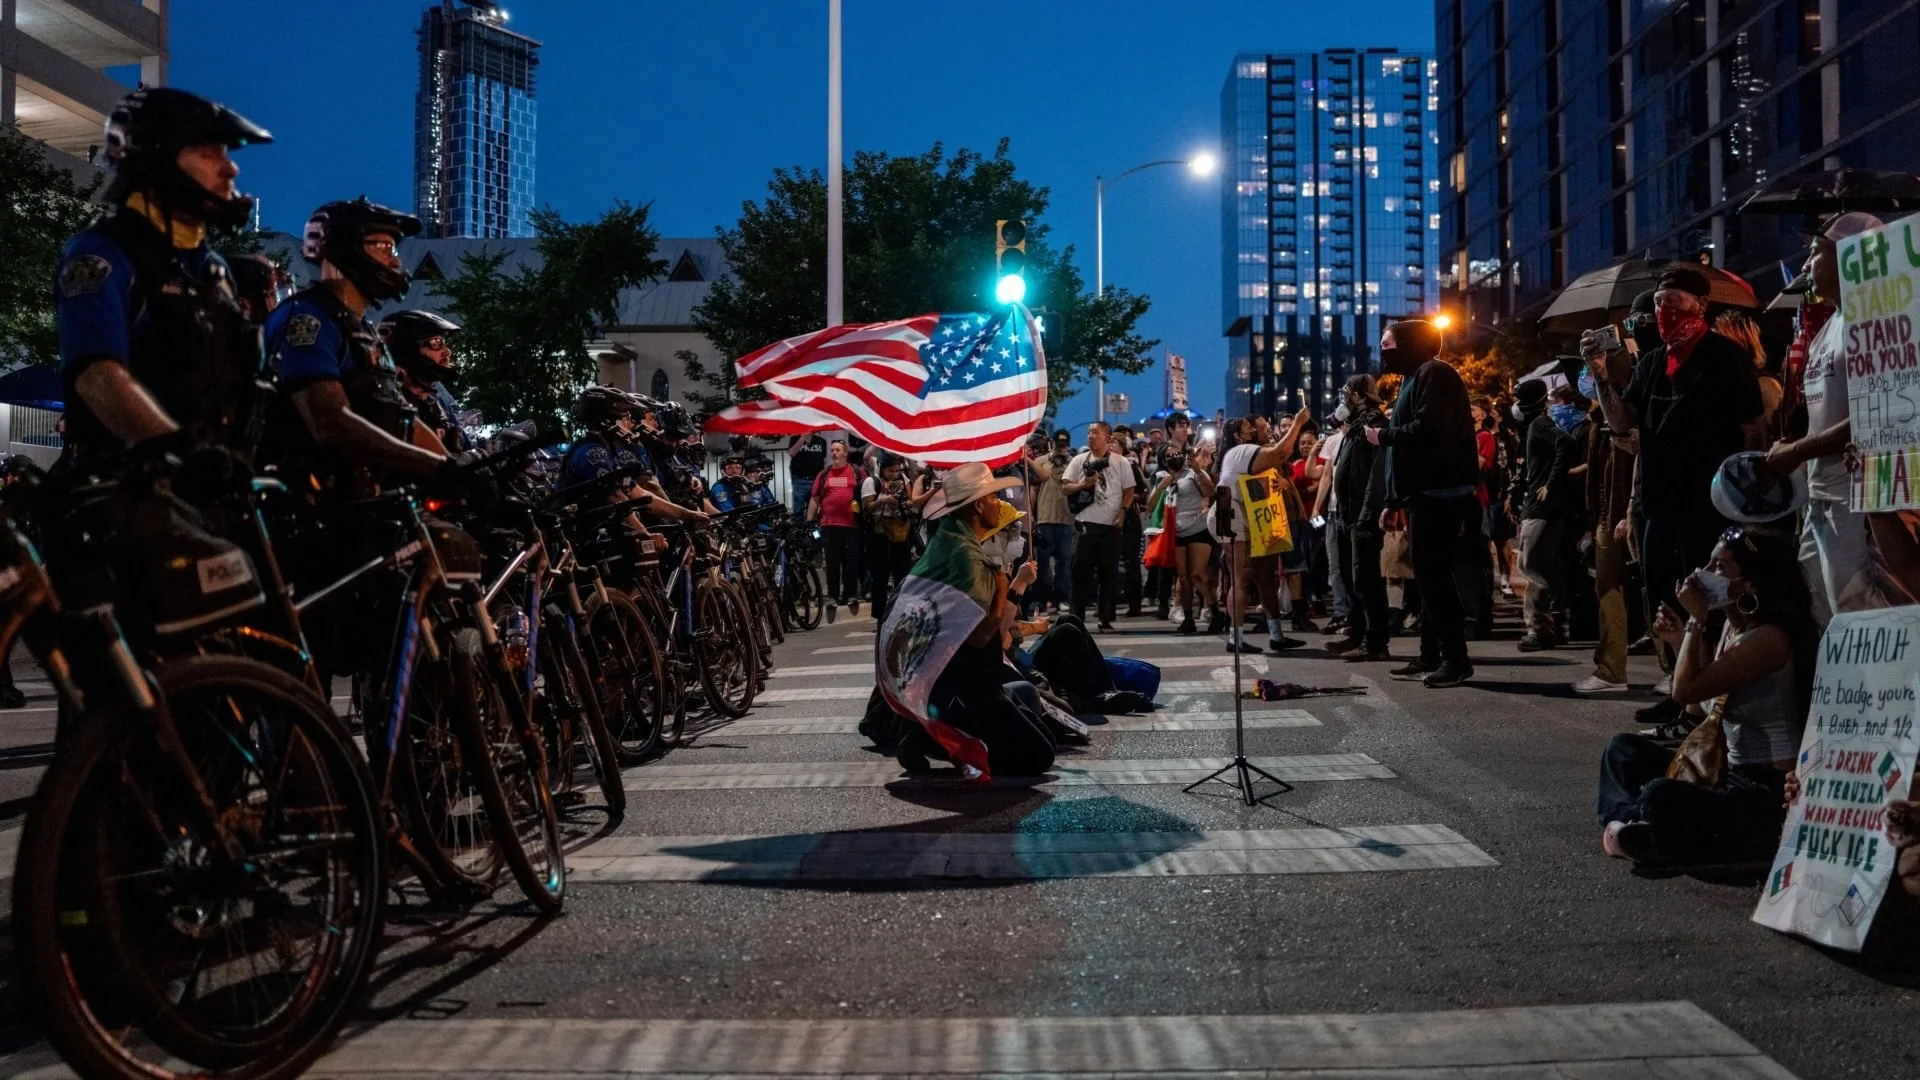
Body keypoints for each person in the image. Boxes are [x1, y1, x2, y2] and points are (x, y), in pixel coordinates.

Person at [55, 87, 271, 461]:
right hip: (126, 482)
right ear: (158, 160)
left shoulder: (214, 269)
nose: (230, 168)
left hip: (217, 483)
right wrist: (185, 457)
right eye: (209, 153)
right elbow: (97, 376)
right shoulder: (104, 251)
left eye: (226, 153)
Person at [1584, 266, 1766, 713]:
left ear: (1700, 304)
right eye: (1658, 302)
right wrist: (1600, 373)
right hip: (1659, 506)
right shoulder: (1652, 363)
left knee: (1711, 601)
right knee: (1664, 599)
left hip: (1711, 506)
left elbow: (1754, 429)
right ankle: (1679, 691)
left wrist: (1748, 498)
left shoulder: (1725, 357)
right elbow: (1621, 421)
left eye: (1673, 301)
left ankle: (1713, 701)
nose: (1663, 310)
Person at [1594, 527, 1813, 866]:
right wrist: (1678, 638)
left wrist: (1696, 620)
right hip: (1723, 773)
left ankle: (1648, 832)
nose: (1703, 573)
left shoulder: (1769, 639)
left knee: (1660, 796)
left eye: (1719, 566)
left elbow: (1684, 691)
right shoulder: (1732, 627)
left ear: (1749, 584)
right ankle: (1638, 827)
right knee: (1622, 751)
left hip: (1762, 788)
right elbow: (1698, 707)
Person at [1760, 212, 1915, 623]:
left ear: (1851, 255)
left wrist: (1798, 450)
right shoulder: (1829, 327)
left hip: (1862, 498)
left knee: (1867, 617)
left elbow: (1880, 413)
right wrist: (1796, 448)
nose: (1807, 264)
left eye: (1816, 252)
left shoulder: (1880, 321)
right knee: (1826, 615)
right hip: (1821, 495)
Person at [264, 199, 450, 488]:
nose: (395, 262)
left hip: (360, 498)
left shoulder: (363, 331)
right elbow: (330, 422)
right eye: (385, 248)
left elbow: (403, 419)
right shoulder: (308, 318)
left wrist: (456, 468)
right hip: (307, 501)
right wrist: (435, 467)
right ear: (345, 247)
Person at [892, 463, 1057, 778]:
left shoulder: (948, 539)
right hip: (963, 686)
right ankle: (934, 737)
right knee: (1038, 757)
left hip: (956, 677)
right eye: (993, 498)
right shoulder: (967, 558)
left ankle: (930, 731)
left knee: (1042, 729)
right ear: (978, 505)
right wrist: (1004, 589)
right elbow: (980, 635)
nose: (998, 504)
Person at [1365, 318, 1481, 687]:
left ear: (1410, 344)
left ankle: (1455, 659)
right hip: (1423, 493)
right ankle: (1431, 654)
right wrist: (1394, 499)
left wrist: (1382, 435)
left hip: (1441, 491)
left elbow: (1429, 429)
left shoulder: (1435, 373)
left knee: (1434, 577)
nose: (1383, 352)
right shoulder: (1413, 378)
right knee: (1429, 576)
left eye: (1388, 345)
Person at [1217, 410, 1313, 653]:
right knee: (1241, 577)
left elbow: (1260, 479)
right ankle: (1236, 639)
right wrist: (1298, 423)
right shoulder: (1241, 451)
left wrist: (1281, 483)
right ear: (1240, 436)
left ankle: (1276, 635)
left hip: (1253, 514)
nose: (1263, 429)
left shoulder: (1249, 453)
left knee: (1266, 576)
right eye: (1253, 427)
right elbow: (1280, 453)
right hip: (1234, 515)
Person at [1576, 351, 1640, 694]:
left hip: (1624, 513)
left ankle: (1617, 669)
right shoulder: (1596, 417)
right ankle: (1613, 668)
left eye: (1594, 369)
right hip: (1607, 514)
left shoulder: (1625, 416)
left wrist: (1628, 512)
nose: (1586, 377)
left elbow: (1629, 472)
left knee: (1636, 589)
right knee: (1610, 586)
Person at [1513, 378, 1580, 651]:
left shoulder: (1540, 424)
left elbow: (1566, 444)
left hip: (1541, 508)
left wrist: (1550, 484)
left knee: (1531, 566)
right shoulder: (1536, 425)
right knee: (1546, 566)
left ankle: (1539, 627)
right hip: (1542, 507)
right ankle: (1555, 624)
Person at [1329, 376, 1392, 661]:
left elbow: (1378, 475)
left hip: (1361, 516)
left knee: (1366, 580)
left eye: (1346, 394)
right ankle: (1357, 634)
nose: (1343, 400)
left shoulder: (1373, 425)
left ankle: (1375, 642)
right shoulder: (1355, 427)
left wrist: (1367, 515)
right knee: (1350, 576)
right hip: (1348, 514)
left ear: (1355, 396)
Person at [1061, 422, 1137, 631]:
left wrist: (1123, 512)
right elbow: (1065, 487)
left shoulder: (1120, 462)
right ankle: (1076, 617)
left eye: (1095, 432)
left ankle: (1105, 617)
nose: (1090, 436)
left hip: (1110, 526)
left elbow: (1129, 490)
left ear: (1107, 437)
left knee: (1108, 573)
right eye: (1089, 433)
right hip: (1085, 523)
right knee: (1080, 573)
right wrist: (1083, 484)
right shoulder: (1079, 460)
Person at [376, 309, 469, 453]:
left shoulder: (435, 403)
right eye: (436, 342)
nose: (447, 351)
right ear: (406, 350)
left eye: (442, 342)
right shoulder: (386, 406)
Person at [1151, 442, 1217, 635]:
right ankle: (1188, 618)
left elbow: (1210, 491)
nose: (1174, 457)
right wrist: (1161, 486)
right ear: (1163, 461)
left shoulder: (1193, 474)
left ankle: (1215, 613)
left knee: (1197, 574)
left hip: (1198, 528)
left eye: (1177, 453)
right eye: (1169, 456)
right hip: (1176, 532)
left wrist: (1197, 470)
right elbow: (1150, 505)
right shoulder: (1161, 477)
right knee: (1183, 578)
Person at [862, 453, 928, 620]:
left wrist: (902, 502)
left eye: (897, 470)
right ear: (882, 468)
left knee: (903, 575)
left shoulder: (904, 480)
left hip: (900, 532)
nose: (894, 474)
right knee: (880, 578)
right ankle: (880, 616)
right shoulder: (872, 482)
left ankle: (901, 613)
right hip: (879, 534)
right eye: (890, 471)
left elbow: (911, 501)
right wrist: (882, 501)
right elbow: (867, 508)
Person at [807, 440, 865, 615]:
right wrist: (809, 522)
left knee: (851, 562)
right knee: (832, 563)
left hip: (852, 525)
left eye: (837, 450)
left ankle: (850, 595)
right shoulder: (824, 474)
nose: (834, 453)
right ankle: (832, 596)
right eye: (832, 450)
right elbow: (815, 499)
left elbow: (868, 492)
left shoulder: (857, 472)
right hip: (829, 525)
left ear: (845, 452)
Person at [1028, 429, 1076, 614]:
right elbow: (1034, 490)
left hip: (1066, 518)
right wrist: (1031, 513)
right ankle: (1041, 599)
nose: (1061, 448)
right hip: (1045, 517)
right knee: (1042, 563)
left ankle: (1062, 598)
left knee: (1064, 562)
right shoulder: (1041, 461)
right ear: (1052, 444)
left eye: (1064, 445)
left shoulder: (1074, 463)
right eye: (1058, 444)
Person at [787, 431, 828, 517]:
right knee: (798, 511)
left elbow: (823, 461)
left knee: (814, 511)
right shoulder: (795, 439)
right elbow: (791, 453)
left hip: (816, 481)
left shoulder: (821, 441)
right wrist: (802, 439)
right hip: (800, 481)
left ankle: (811, 525)